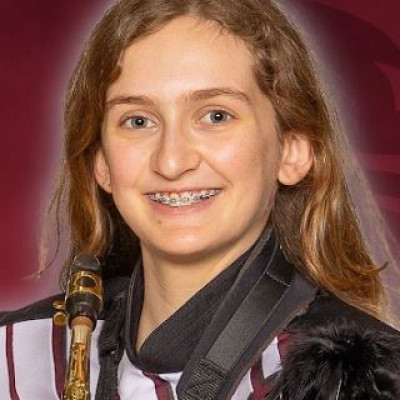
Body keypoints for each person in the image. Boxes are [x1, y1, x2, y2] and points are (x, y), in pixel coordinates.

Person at [1, 0, 400, 399]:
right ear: (102, 163)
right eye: (138, 121)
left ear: (292, 151)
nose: (171, 161)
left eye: (215, 116)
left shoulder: (360, 382)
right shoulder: (13, 356)